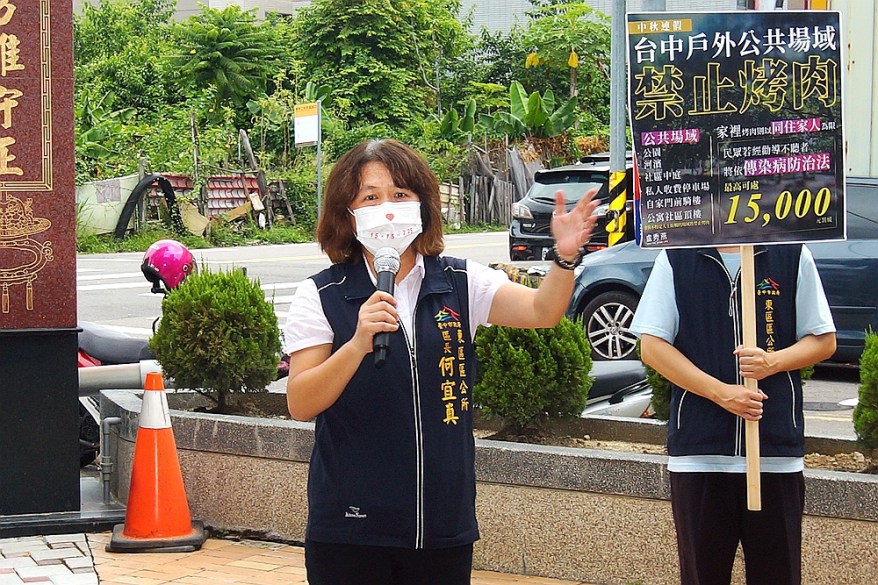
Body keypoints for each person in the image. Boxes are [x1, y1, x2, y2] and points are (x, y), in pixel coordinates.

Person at [283, 138, 598, 585]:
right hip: (351, 525)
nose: (387, 209)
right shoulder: (321, 294)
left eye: (400, 194)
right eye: (370, 198)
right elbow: (300, 402)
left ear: (423, 205)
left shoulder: (460, 281)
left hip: (441, 522)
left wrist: (564, 257)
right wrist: (355, 344)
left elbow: (541, 311)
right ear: (346, 213)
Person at [630, 243, 837, 585]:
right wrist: (720, 393)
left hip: (774, 451)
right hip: (699, 453)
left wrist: (772, 362)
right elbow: (653, 347)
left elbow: (823, 340)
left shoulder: (790, 254)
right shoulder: (677, 258)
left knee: (778, 574)